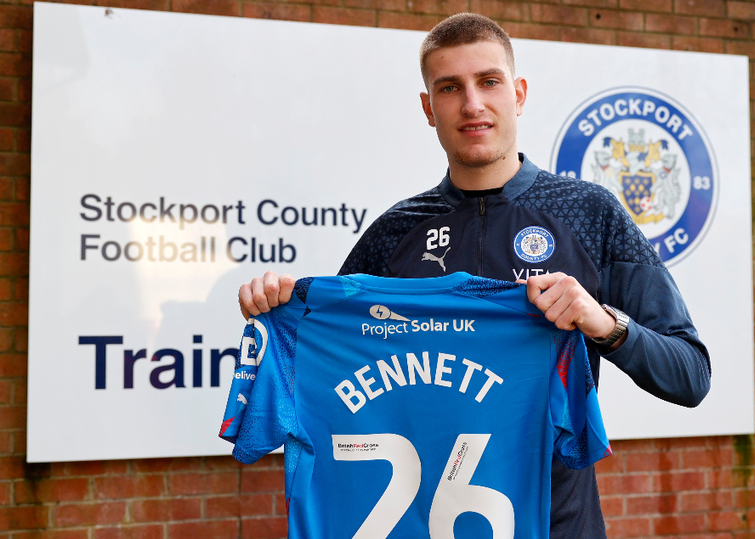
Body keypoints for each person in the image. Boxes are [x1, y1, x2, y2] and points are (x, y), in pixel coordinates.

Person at [238, 13, 711, 539]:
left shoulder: (589, 215)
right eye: (449, 88)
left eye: (489, 82)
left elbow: (691, 377)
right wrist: (279, 309)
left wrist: (604, 324)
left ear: (519, 93)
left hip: (559, 526)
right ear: (428, 107)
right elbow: (326, 355)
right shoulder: (395, 233)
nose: (472, 104)